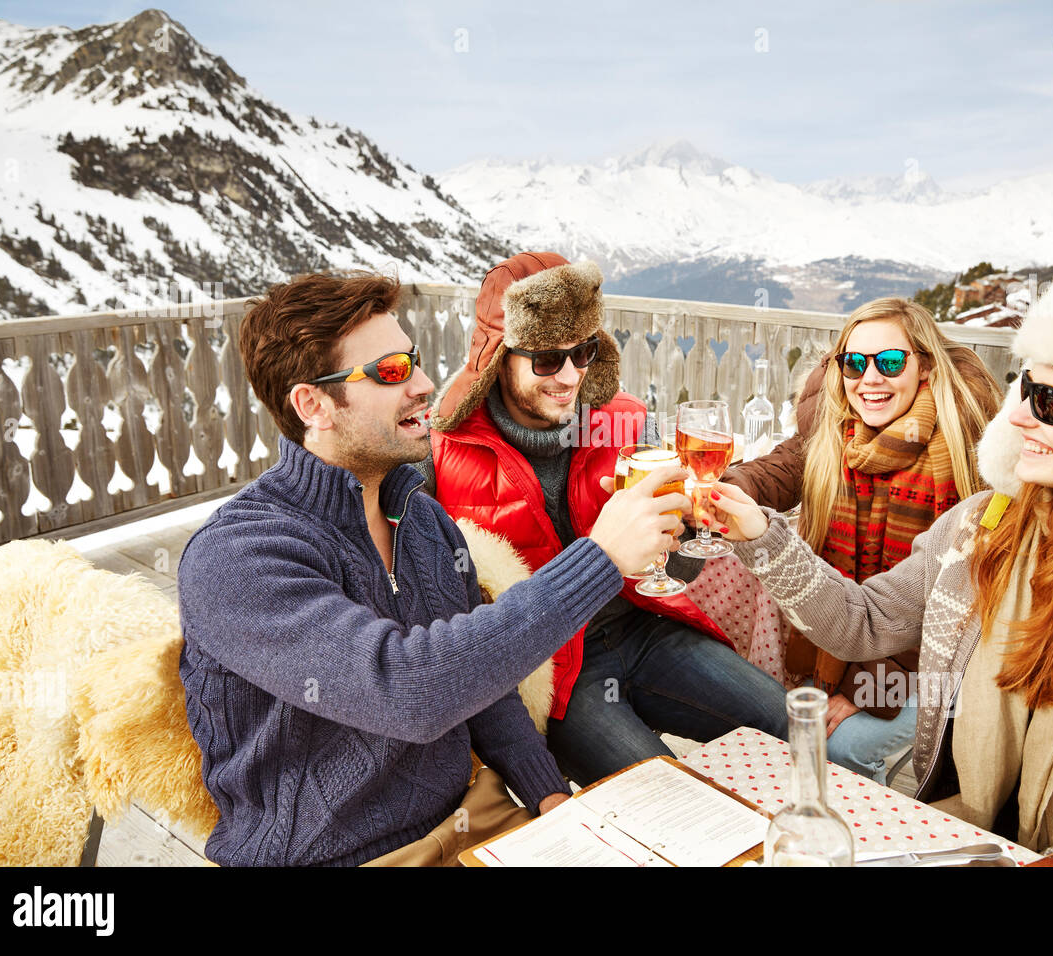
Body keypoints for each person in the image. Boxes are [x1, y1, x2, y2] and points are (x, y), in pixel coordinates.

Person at [703, 276, 1053, 865]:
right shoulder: (979, 530)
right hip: (958, 838)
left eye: (1050, 403)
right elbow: (863, 623)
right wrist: (762, 538)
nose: (1017, 416)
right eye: (1026, 389)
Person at [176, 272, 687, 866]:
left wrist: (549, 794)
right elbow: (410, 690)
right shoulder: (239, 557)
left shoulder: (421, 518)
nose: (423, 385)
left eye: (414, 361)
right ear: (312, 404)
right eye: (391, 372)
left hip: (475, 814)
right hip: (342, 856)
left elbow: (480, 682)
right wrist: (598, 561)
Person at [425, 252, 789, 787]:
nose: (570, 376)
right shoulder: (438, 458)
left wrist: (683, 538)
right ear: (499, 357)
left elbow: (673, 570)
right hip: (556, 668)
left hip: (646, 627)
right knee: (661, 792)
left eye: (584, 352)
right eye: (547, 359)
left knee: (785, 720)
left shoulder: (626, 420)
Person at [723, 298, 1001, 783]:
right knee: (763, 709)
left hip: (940, 660)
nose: (870, 379)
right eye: (855, 363)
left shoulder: (965, 453)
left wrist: (867, 690)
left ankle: (864, 837)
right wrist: (729, 487)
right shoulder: (837, 429)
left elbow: (955, 610)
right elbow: (782, 467)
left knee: (839, 747)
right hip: (847, 628)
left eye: (890, 362)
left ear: (925, 367)